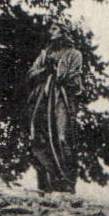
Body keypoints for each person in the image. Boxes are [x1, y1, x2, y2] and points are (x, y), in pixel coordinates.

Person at [26, 24, 84, 193]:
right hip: (42, 101)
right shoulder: (45, 54)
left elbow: (74, 81)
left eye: (55, 29)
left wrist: (58, 72)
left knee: (61, 138)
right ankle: (45, 183)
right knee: (39, 139)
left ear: (64, 33)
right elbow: (30, 74)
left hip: (61, 101)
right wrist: (45, 70)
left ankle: (65, 181)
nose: (50, 32)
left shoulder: (74, 55)